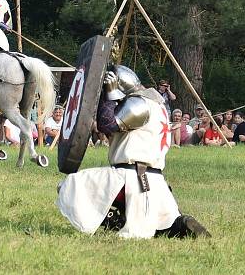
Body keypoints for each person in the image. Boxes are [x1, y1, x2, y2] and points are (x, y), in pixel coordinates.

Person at [56, 65, 210, 239]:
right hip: (156, 182)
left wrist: (110, 94)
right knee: (162, 227)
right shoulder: (158, 106)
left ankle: (116, 222)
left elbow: (107, 124)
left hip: (130, 179)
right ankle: (181, 225)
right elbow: (110, 131)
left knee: (68, 185)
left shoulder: (139, 103)